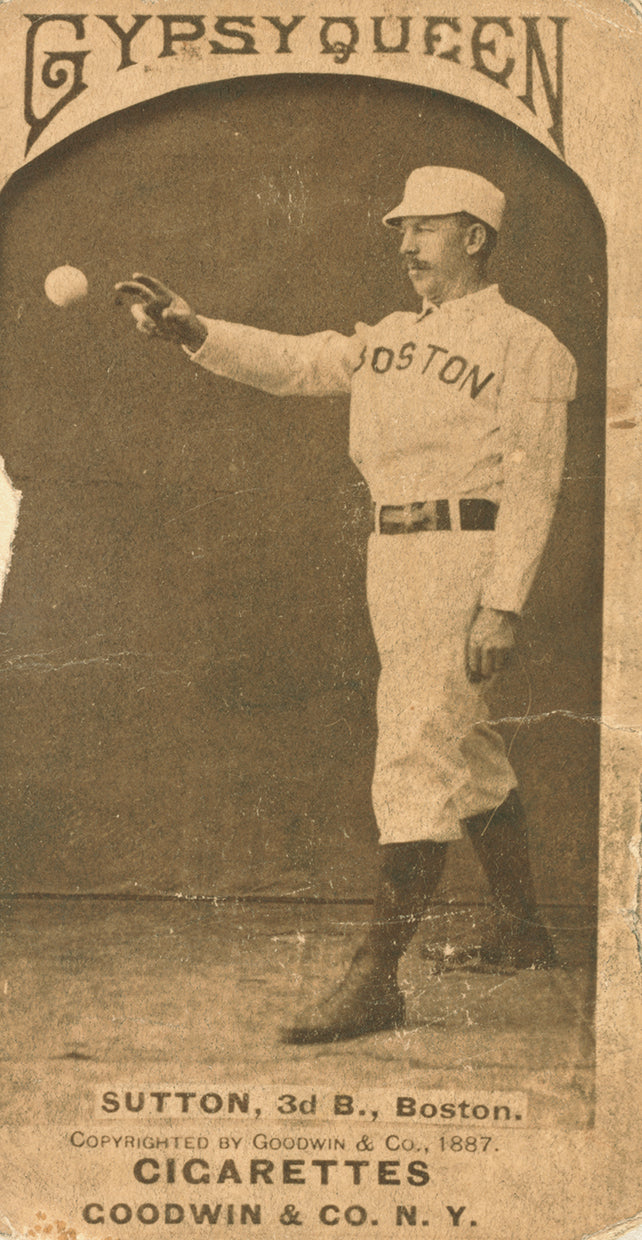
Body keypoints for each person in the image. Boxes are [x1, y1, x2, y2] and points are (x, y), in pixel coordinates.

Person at [115, 165, 577, 1044]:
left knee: (414, 747)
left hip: (463, 552)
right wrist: (194, 329)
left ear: (475, 237)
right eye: (401, 230)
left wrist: (502, 604)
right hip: (392, 553)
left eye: (425, 229)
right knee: (460, 741)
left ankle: (376, 981)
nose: (405, 245)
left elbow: (538, 484)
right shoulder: (390, 336)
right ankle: (522, 931)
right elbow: (294, 362)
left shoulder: (530, 345)